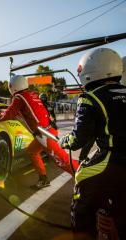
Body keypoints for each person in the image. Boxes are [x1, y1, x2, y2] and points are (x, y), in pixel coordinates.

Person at [58, 48, 126, 238]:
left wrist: (63, 141)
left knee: (81, 210)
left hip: (110, 165)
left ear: (88, 70)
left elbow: (78, 138)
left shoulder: (90, 98)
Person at [0, 75, 79, 189]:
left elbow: (9, 114)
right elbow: (21, 112)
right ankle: (43, 179)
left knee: (62, 161)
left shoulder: (19, 97)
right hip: (47, 131)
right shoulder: (31, 95)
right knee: (32, 151)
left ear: (13, 86)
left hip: (44, 134)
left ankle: (84, 179)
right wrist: (5, 111)